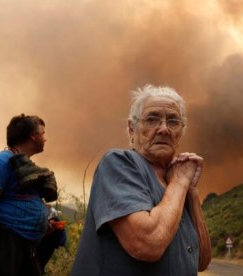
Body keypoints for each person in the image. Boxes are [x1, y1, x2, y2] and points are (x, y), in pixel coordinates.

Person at [71, 84, 212, 275]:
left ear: (181, 131)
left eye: (173, 121)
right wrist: (180, 181)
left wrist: (191, 192)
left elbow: (201, 261)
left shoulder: (176, 185)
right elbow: (148, 243)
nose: (163, 129)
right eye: (152, 119)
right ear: (132, 128)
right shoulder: (118, 163)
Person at [0, 114, 58, 276]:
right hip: (3, 246)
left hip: (25, 248)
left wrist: (44, 227)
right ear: (33, 136)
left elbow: (18, 203)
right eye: (42, 133)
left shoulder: (28, 170)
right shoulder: (0, 161)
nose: (45, 138)